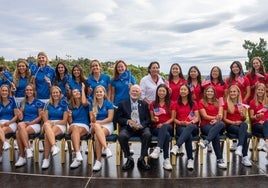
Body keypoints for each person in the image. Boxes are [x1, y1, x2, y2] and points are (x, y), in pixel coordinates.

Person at [117, 84, 152, 171]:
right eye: (133, 90)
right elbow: (119, 118)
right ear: (129, 92)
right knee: (121, 136)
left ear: (140, 93)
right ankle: (129, 158)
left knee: (147, 134)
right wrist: (128, 121)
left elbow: (148, 119)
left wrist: (142, 125)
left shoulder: (144, 104)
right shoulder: (123, 104)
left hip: (141, 127)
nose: (135, 92)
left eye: (137, 91)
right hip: (128, 127)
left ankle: (142, 159)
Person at [170, 84, 199, 170]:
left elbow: (197, 117)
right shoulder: (175, 103)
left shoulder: (193, 103)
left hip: (193, 126)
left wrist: (191, 122)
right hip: (180, 127)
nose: (182, 91)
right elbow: (173, 118)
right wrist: (180, 122)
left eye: (184, 90)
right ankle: (190, 159)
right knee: (188, 136)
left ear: (188, 91)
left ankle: (177, 146)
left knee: (190, 127)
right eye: (181, 89)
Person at [15, 84, 44, 167]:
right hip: (24, 124)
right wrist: (19, 114)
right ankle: (27, 150)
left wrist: (31, 123)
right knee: (20, 126)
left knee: (18, 133)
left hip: (35, 124)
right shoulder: (22, 103)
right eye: (27, 90)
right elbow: (20, 118)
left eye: (30, 90)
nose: (29, 91)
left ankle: (22, 156)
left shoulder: (38, 102)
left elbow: (40, 117)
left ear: (34, 91)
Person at [198, 85, 227, 169]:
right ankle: (220, 159)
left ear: (214, 93)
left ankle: (206, 141)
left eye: (211, 91)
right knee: (215, 135)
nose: (209, 93)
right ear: (205, 92)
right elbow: (204, 116)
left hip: (218, 124)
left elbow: (220, 115)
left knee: (221, 124)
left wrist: (217, 120)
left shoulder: (219, 102)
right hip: (206, 125)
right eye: (208, 91)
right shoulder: (201, 102)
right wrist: (215, 118)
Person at [223, 85, 252, 167]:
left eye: (234, 91)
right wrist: (233, 122)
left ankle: (239, 147)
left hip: (240, 125)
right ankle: (245, 156)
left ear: (238, 92)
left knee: (244, 124)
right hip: (230, 126)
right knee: (245, 134)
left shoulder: (242, 104)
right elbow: (224, 119)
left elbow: (244, 119)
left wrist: (243, 115)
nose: (232, 93)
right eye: (231, 92)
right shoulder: (226, 104)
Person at [149, 84, 175, 170]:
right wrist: (154, 119)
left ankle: (158, 148)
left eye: (163, 91)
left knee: (165, 128)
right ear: (157, 92)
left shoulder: (171, 103)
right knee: (166, 135)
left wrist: (164, 124)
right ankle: (166, 160)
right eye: (160, 91)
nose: (161, 92)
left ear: (167, 92)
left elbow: (172, 118)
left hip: (168, 126)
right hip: (156, 127)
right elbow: (151, 118)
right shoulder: (152, 104)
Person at [41, 86, 68, 169]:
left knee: (47, 135)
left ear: (60, 94)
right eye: (53, 93)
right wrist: (48, 122)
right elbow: (45, 119)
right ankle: (54, 146)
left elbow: (64, 121)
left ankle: (46, 159)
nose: (55, 94)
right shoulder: (48, 104)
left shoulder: (64, 104)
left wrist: (53, 123)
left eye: (57, 92)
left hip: (60, 125)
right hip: (49, 125)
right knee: (46, 125)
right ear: (51, 94)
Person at [89, 85, 114, 171]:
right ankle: (106, 148)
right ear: (95, 94)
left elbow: (110, 118)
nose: (99, 93)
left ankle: (98, 161)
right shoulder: (92, 104)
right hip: (95, 126)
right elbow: (92, 121)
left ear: (104, 93)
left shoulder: (109, 103)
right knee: (95, 126)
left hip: (107, 124)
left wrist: (99, 122)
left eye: (100, 92)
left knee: (96, 136)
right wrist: (94, 117)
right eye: (97, 92)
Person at [67, 83, 90, 168]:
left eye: (78, 92)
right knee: (75, 128)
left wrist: (83, 89)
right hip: (73, 125)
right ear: (72, 94)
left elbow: (84, 102)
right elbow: (70, 122)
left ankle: (77, 156)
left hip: (84, 126)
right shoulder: (70, 106)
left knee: (74, 134)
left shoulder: (86, 103)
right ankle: (78, 153)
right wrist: (69, 116)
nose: (77, 93)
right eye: (74, 92)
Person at [0, 85, 18, 163]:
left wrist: (9, 122)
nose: (4, 92)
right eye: (3, 91)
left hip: (11, 123)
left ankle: (0, 154)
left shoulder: (12, 101)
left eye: (6, 91)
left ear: (8, 92)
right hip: (0, 123)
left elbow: (16, 116)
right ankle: (5, 143)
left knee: (1, 132)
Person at [248, 83, 268, 152]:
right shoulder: (252, 102)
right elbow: (251, 117)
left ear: (264, 91)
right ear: (256, 91)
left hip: (266, 124)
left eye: (262, 90)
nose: (260, 91)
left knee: (266, 123)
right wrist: (257, 116)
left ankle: (266, 142)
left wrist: (265, 121)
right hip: (256, 124)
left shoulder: (267, 101)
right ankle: (266, 143)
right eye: (259, 89)